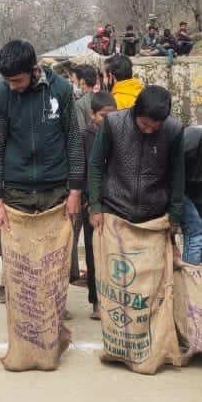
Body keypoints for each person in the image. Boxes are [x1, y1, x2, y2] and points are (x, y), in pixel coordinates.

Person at [0, 39, 85, 304]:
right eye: (7, 81)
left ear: (33, 70)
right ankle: (23, 310)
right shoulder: (0, 95)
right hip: (16, 192)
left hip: (55, 190)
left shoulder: (61, 90)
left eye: (17, 80)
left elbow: (74, 141)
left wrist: (75, 191)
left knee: (53, 256)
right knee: (20, 257)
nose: (12, 86)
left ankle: (51, 309)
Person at [87, 84, 184, 235]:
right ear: (136, 111)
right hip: (114, 211)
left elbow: (177, 174)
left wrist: (175, 215)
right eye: (144, 124)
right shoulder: (113, 123)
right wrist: (95, 206)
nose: (149, 130)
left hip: (154, 216)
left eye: (155, 127)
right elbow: (96, 164)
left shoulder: (173, 130)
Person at [81, 92, 117, 317]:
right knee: (94, 252)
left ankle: (116, 298)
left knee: (115, 252)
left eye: (113, 115)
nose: (108, 120)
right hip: (92, 204)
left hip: (116, 202)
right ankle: (96, 300)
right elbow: (82, 170)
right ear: (92, 114)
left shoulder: (120, 135)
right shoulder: (84, 137)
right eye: (104, 116)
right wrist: (87, 200)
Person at [180, 123, 202, 265]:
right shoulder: (186, 142)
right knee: (196, 233)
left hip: (201, 185)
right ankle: (191, 276)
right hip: (176, 186)